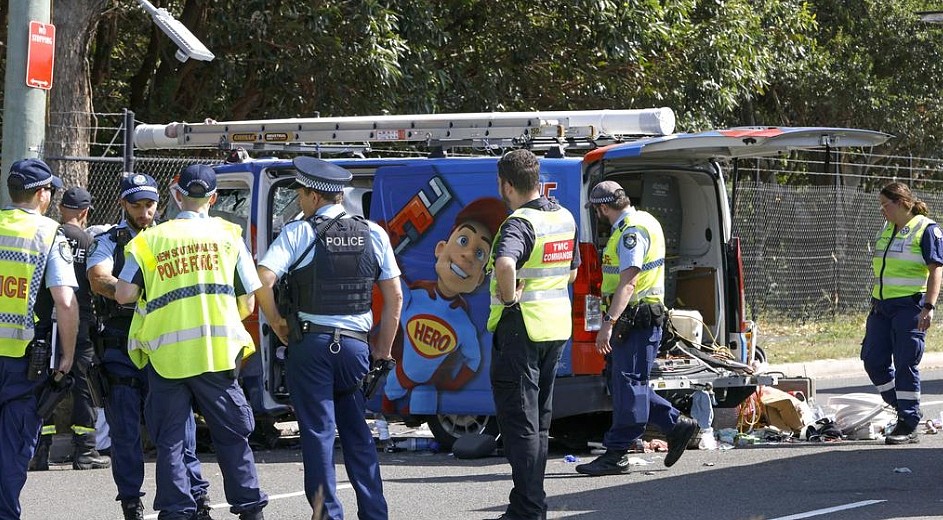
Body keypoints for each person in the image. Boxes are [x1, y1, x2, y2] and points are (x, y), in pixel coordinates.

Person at [114, 164, 267, 520]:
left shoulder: (149, 240)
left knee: (170, 441)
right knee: (232, 435)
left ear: (176, 193)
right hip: (217, 355)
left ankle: (176, 511)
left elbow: (123, 294)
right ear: (213, 198)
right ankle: (249, 508)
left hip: (166, 357)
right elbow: (249, 301)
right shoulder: (230, 235)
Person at [256, 156, 402, 519]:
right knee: (357, 433)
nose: (299, 202)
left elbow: (262, 278)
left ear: (311, 195)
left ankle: (327, 515)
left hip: (311, 346)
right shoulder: (374, 233)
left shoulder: (298, 232)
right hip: (355, 347)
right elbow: (396, 296)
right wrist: (382, 349)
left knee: (319, 435)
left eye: (300, 195)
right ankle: (374, 513)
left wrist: (277, 323)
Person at [87, 173, 212, 520]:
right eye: (137, 205)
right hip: (121, 349)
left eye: (150, 205)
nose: (145, 212)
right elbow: (99, 278)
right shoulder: (110, 240)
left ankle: (196, 496)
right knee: (126, 433)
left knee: (179, 431)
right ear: (123, 204)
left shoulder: (170, 236)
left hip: (165, 345)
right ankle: (131, 501)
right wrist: (136, 293)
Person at [576, 180, 699, 476]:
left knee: (629, 384)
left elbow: (629, 281)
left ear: (602, 207)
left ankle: (617, 452)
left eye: (597, 210)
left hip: (635, 318)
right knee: (625, 383)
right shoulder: (641, 221)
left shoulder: (631, 231)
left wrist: (608, 323)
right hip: (635, 318)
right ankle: (676, 424)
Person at [487, 149, 578, 520]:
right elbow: (571, 273)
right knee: (538, 424)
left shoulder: (518, 223)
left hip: (519, 328)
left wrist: (509, 300)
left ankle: (528, 508)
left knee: (518, 425)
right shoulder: (564, 217)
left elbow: (506, 263)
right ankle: (528, 503)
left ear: (507, 185)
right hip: (554, 327)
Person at [0, 158, 78, 519]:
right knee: (13, 449)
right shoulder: (49, 234)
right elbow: (64, 300)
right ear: (42, 194)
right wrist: (67, 356)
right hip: (21, 365)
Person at [383, 197, 506, 415]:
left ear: (479, 279)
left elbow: (474, 359)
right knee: (390, 394)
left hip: (429, 385)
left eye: (480, 254)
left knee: (423, 401)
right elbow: (390, 284)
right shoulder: (414, 297)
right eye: (463, 241)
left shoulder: (462, 324)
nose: (468, 254)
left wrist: (454, 384)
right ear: (441, 248)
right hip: (399, 374)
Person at [29, 186, 111, 471]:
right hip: (80, 322)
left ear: (62, 208)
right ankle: (85, 450)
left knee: (42, 382)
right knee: (83, 384)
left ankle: (39, 451)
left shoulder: (49, 235)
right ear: (86, 212)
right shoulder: (90, 242)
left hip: (45, 319)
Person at [862, 181, 943, 445]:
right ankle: (904, 408)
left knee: (906, 363)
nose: (882, 211)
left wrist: (929, 307)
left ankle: (908, 424)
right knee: (873, 360)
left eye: (885, 205)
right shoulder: (887, 228)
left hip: (910, 307)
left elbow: (936, 271)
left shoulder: (926, 228)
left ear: (901, 203)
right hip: (881, 307)